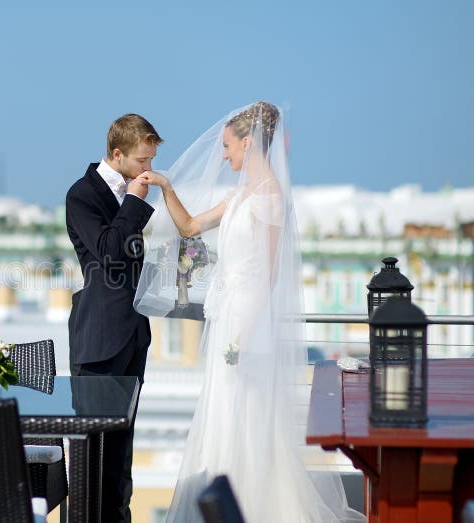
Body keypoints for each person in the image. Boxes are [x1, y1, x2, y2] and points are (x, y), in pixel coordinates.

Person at [135, 102, 365, 522]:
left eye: (227, 146)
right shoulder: (241, 195)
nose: (223, 155)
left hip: (247, 324)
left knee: (249, 415)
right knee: (223, 411)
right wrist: (167, 188)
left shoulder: (271, 200)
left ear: (248, 142)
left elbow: (269, 276)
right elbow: (189, 227)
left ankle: (256, 507)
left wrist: (244, 334)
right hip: (228, 318)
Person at [65, 113, 162, 522]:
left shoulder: (135, 192)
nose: (149, 170)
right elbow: (107, 251)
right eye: (143, 161)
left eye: (152, 161)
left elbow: (135, 256)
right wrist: (136, 203)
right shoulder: (82, 195)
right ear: (117, 154)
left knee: (122, 456)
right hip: (99, 337)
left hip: (133, 334)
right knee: (93, 457)